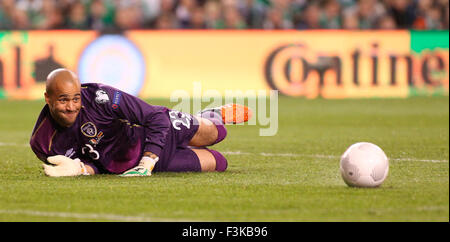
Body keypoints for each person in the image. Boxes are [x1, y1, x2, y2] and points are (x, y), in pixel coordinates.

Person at [30, 68, 251, 177]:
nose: (71, 107)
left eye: (75, 99)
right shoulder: (42, 143)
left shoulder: (101, 97)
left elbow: (153, 117)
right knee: (219, 163)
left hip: (153, 134)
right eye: (63, 100)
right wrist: (81, 169)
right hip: (131, 163)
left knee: (217, 133)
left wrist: (148, 161)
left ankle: (210, 115)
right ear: (47, 98)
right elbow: (95, 165)